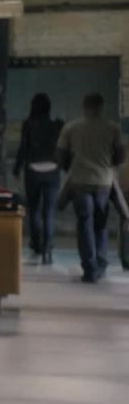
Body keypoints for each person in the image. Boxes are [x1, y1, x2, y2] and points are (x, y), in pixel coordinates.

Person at [57, 92, 125, 283]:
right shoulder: (113, 128)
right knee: (100, 224)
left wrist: (71, 167)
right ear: (101, 107)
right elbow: (120, 156)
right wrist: (107, 164)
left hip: (80, 181)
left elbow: (60, 156)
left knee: (84, 223)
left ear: (83, 107)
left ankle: (90, 268)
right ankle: (101, 263)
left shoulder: (71, 128)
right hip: (103, 182)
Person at [13, 93, 64, 264]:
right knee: (49, 211)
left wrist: (17, 168)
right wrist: (65, 165)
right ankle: (47, 248)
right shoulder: (58, 124)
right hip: (52, 170)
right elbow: (63, 148)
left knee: (34, 209)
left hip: (33, 170)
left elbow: (23, 148)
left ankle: (37, 244)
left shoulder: (28, 124)